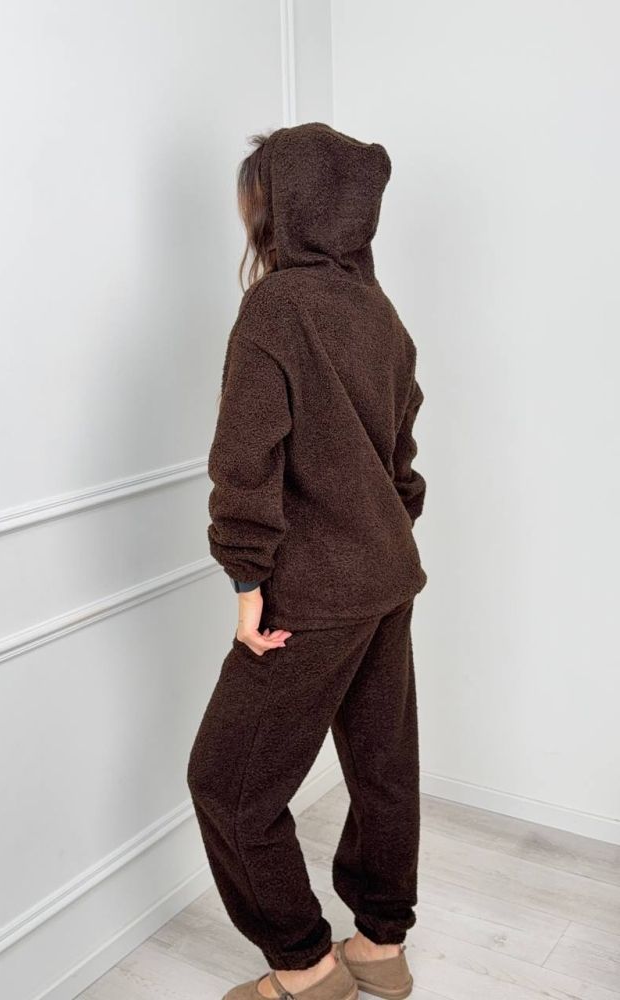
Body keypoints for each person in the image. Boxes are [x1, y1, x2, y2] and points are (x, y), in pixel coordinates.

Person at [187, 122, 427, 1000]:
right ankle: (381, 946)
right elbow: (401, 464)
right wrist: (380, 534)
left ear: (284, 206)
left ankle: (303, 966)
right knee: (381, 767)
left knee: (227, 785)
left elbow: (245, 461)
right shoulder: (381, 314)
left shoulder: (277, 308)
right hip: (387, 578)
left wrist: (248, 584)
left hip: (314, 592)